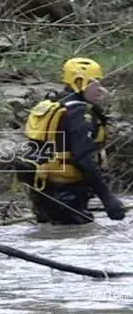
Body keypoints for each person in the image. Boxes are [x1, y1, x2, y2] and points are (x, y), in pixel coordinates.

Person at [19, 57, 126, 224]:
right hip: (67, 194)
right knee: (78, 239)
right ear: (79, 82)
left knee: (51, 237)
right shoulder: (79, 115)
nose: (100, 89)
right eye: (95, 82)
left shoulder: (55, 104)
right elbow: (83, 160)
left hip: (44, 191)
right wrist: (108, 199)